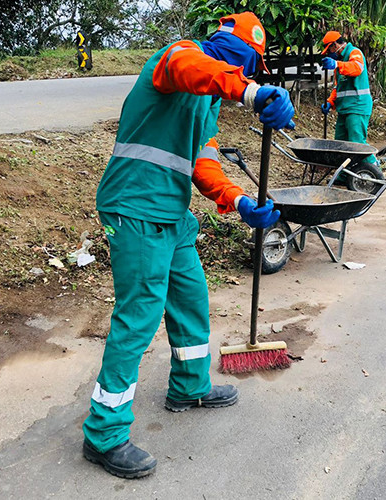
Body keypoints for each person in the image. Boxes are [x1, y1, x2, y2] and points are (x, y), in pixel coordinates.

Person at [82, 11, 295, 479]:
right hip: (136, 207)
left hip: (173, 214)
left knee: (191, 297)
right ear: (228, 46)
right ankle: (104, 433)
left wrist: (237, 200)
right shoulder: (179, 56)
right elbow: (190, 70)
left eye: (254, 69)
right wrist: (252, 92)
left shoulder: (209, 104)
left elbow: (204, 165)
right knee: (138, 316)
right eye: (247, 63)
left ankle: (189, 386)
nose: (248, 72)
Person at [320, 31, 377, 166]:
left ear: (335, 45)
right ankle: (344, 174)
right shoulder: (339, 62)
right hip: (345, 108)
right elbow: (338, 87)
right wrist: (330, 102)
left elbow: (357, 68)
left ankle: (373, 170)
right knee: (341, 143)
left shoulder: (354, 52)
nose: (330, 53)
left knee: (356, 143)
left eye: (330, 49)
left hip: (357, 107)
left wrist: (337, 65)